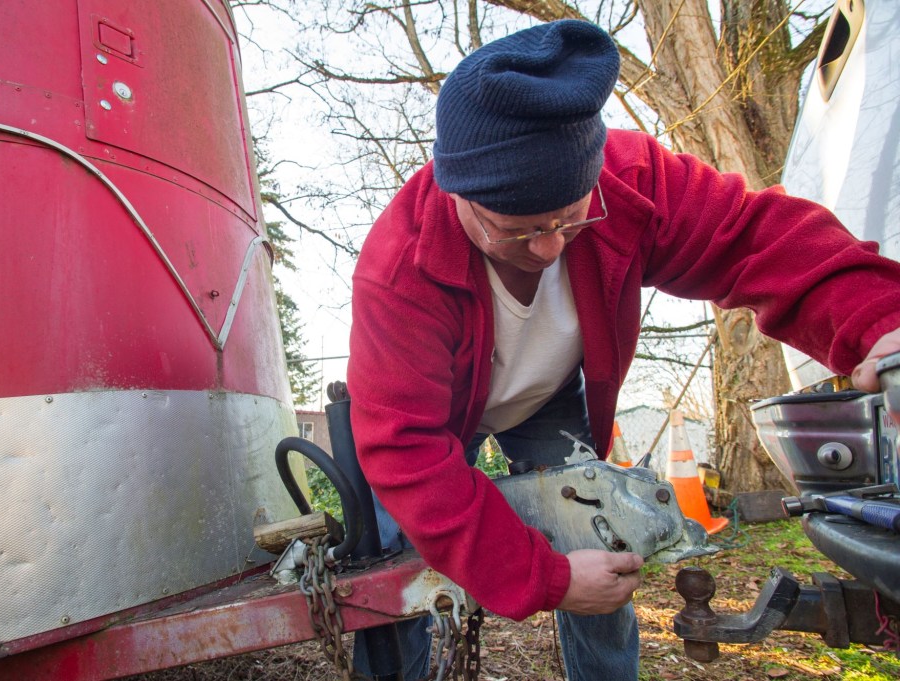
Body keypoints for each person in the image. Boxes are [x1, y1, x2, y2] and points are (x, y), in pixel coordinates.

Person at [347, 18, 900, 681]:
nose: (551, 247)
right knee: (389, 562)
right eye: (518, 232)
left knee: (601, 537)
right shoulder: (398, 268)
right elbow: (407, 450)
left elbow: (753, 238)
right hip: (428, 419)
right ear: (458, 192)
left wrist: (880, 322)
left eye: (571, 220)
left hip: (543, 399)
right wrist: (543, 578)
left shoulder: (629, 180)